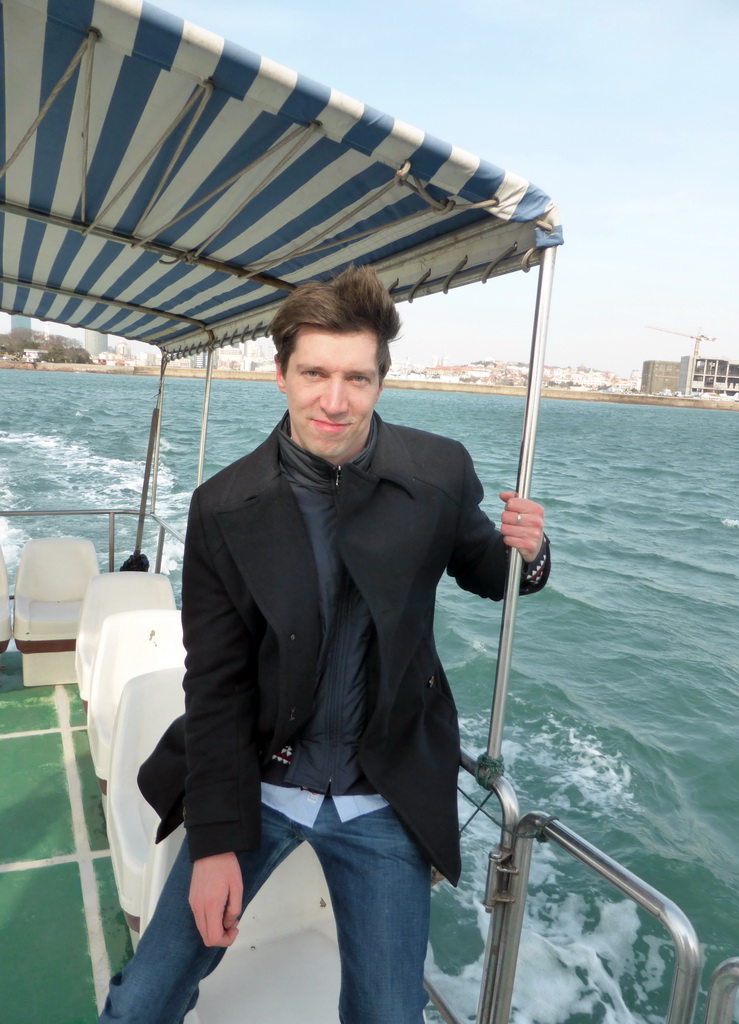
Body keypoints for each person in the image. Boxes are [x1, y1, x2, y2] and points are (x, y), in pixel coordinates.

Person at [99, 266, 550, 1024]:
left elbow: (491, 571)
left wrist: (528, 552)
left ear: (381, 380)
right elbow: (214, 685)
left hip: (384, 795)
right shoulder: (223, 507)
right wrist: (213, 847)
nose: (334, 401)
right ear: (280, 373)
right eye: (314, 374)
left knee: (388, 1013)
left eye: (357, 378)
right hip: (255, 782)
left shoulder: (437, 472)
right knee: (144, 999)